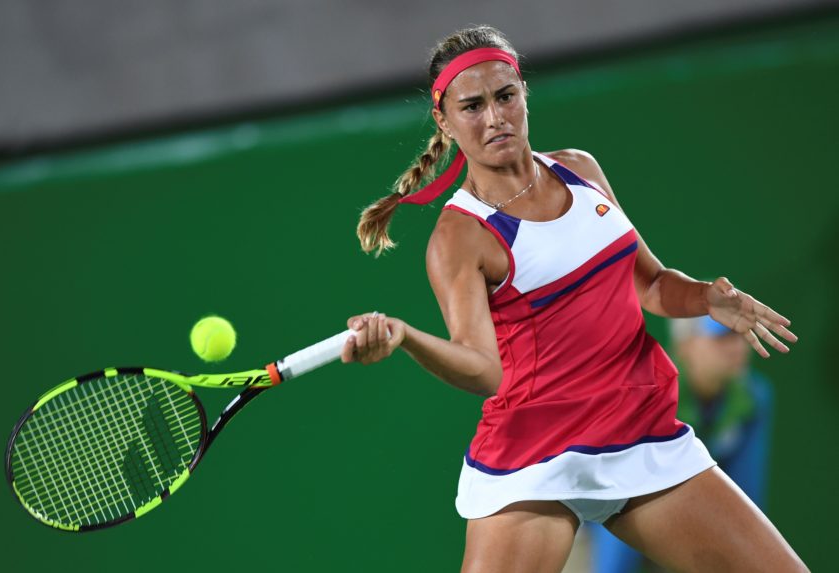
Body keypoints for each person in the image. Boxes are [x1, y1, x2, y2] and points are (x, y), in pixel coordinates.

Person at [340, 25, 806, 573]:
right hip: (535, 458)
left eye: (505, 96)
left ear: (523, 94)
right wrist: (407, 338)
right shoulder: (459, 237)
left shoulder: (580, 171)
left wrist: (706, 298)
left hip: (640, 432)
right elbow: (484, 369)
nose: (495, 118)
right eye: (473, 106)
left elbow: (650, 284)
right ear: (444, 120)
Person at [587, 315, 776, 572]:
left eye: (741, 334)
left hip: (678, 519)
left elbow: (745, 493)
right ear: (686, 346)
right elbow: (618, 497)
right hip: (598, 519)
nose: (736, 346)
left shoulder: (753, 398)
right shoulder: (647, 394)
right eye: (722, 336)